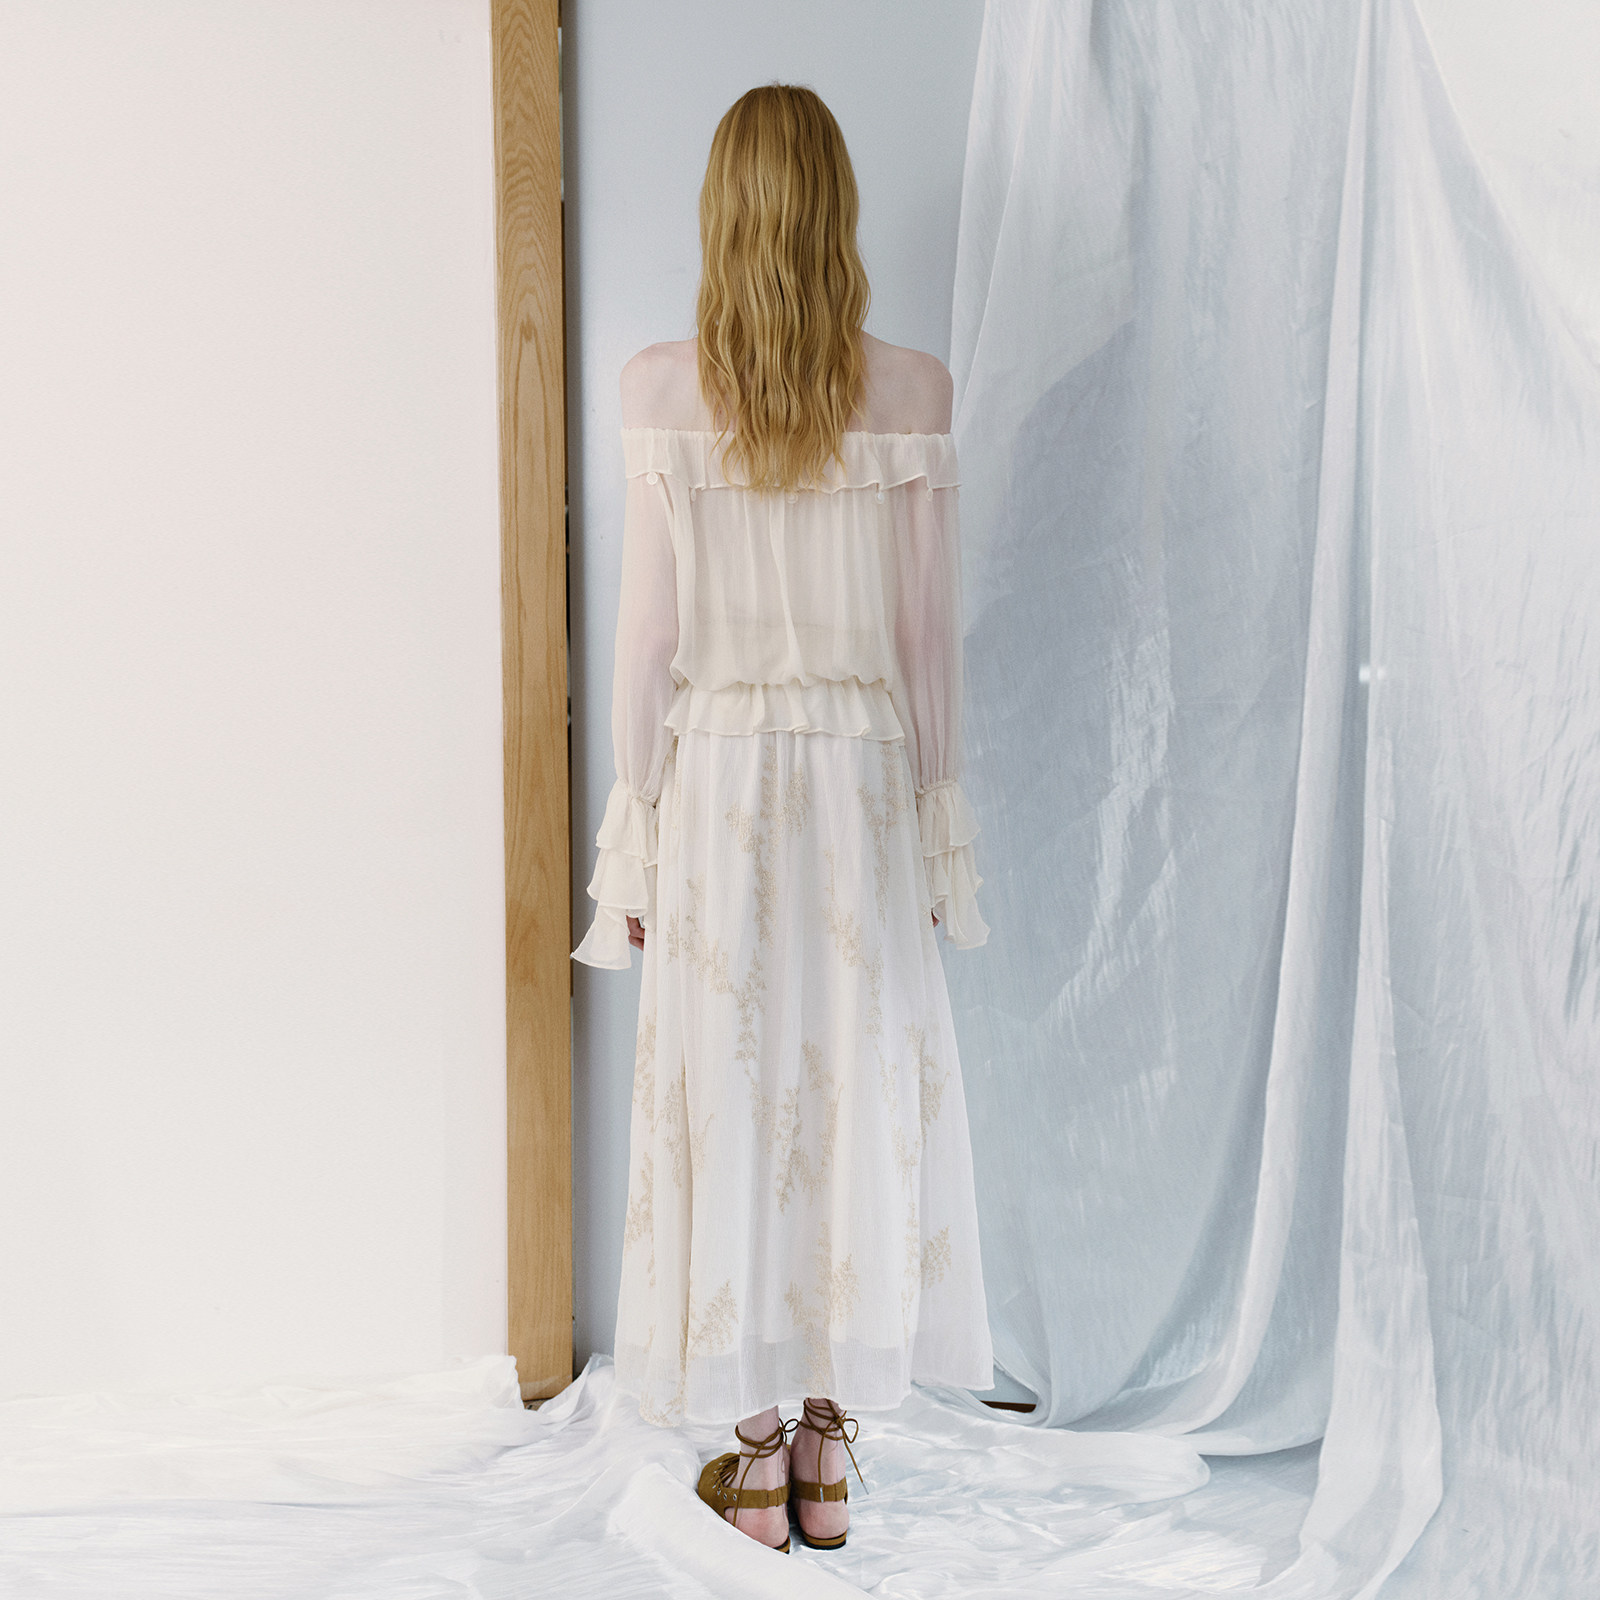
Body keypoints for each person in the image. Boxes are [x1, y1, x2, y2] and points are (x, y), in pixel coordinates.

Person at [573, 82, 993, 1555]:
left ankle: (753, 1458)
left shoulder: (657, 388)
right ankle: (825, 1448)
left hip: (724, 785)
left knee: (732, 1089)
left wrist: (637, 834)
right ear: (838, 208)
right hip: (862, 783)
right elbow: (929, 641)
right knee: (851, 1084)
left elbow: (649, 644)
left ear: (723, 210)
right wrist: (937, 821)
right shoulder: (915, 391)